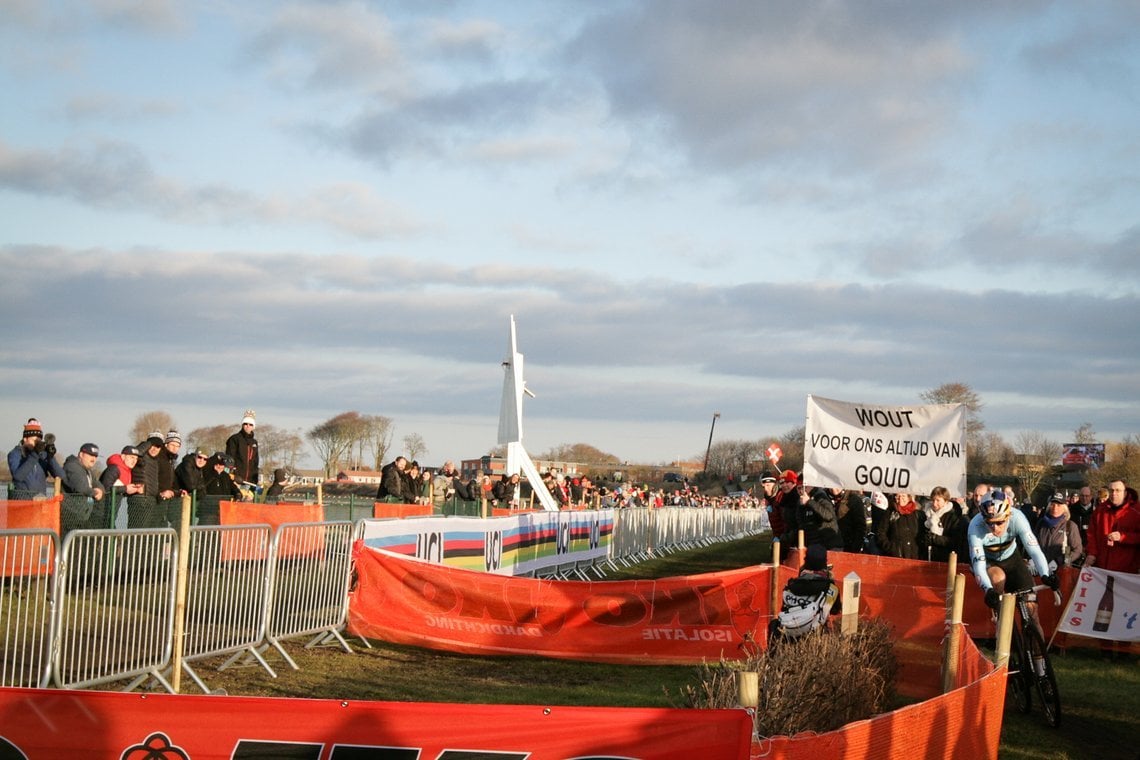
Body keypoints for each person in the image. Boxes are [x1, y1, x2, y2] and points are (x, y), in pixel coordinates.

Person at [967, 489, 1056, 624]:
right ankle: (1001, 620)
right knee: (998, 577)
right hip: (990, 562)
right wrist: (988, 590)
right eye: (989, 523)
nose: (995, 528)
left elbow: (1035, 551)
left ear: (1008, 515)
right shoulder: (975, 526)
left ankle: (1036, 641)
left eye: (999, 522)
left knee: (1031, 609)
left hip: (1012, 559)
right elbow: (979, 565)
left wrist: (1045, 574)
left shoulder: (1018, 518)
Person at [768, 543, 840, 645]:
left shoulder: (791, 585)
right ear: (824, 563)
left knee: (774, 624)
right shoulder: (830, 588)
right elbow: (835, 610)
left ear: (806, 562)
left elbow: (784, 609)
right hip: (815, 635)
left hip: (788, 632)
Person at [1084, 480, 1140, 573]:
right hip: (1102, 567)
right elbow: (1091, 534)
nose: (1114, 493)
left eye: (1118, 490)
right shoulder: (1100, 510)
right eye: (1111, 490)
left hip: (1126, 569)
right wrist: (1092, 553)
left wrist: (1122, 537)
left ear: (1125, 493)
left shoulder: (1136, 511)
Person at [7, 418, 64, 499]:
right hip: (21, 503)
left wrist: (50, 457)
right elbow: (18, 477)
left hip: (40, 502)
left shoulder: (42, 454)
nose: (36, 444)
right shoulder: (15, 454)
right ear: (25, 439)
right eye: (34, 441)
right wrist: (35, 454)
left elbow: (60, 475)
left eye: (39, 441)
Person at [61, 442, 106, 532]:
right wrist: (95, 492)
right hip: (70, 515)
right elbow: (80, 487)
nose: (94, 459)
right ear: (81, 455)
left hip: (81, 516)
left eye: (95, 456)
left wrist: (101, 491)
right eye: (90, 455)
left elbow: (98, 484)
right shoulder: (72, 466)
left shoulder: (88, 470)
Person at [1036, 493, 1083, 570]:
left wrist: (1060, 561)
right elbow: (1033, 544)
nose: (1055, 508)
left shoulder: (1070, 526)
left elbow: (1077, 550)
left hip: (1061, 572)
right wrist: (1031, 558)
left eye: (1059, 505)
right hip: (1040, 570)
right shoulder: (1041, 524)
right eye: (1052, 504)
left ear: (1064, 508)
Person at [128, 435, 166, 528]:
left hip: (150, 500)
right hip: (140, 499)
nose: (154, 449)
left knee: (145, 533)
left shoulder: (155, 462)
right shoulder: (140, 458)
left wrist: (157, 495)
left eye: (158, 447)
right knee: (136, 530)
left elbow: (154, 481)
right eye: (152, 445)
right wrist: (148, 443)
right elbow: (136, 452)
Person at [921, 486, 965, 563]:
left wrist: (936, 538)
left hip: (946, 558)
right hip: (927, 556)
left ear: (945, 501)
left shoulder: (953, 517)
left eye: (938, 500)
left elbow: (955, 541)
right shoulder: (927, 514)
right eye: (933, 500)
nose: (934, 504)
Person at [794, 483, 844, 550]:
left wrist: (809, 502)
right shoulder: (800, 502)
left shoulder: (820, 496)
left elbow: (828, 515)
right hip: (814, 545)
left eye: (804, 487)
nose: (801, 491)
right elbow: (801, 524)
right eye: (799, 488)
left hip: (829, 545)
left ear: (810, 486)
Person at [201, 453, 244, 524]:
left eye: (221, 464)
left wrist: (238, 494)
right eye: (217, 464)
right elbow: (205, 484)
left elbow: (233, 487)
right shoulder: (207, 473)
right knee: (207, 530)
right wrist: (216, 459)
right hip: (209, 509)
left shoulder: (226, 476)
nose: (219, 466)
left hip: (223, 509)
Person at [876, 492, 921, 559]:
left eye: (903, 496)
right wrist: (890, 548)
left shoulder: (918, 515)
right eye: (898, 496)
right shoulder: (889, 513)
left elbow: (922, 536)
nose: (900, 499)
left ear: (909, 498)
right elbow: (880, 533)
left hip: (914, 557)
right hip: (894, 557)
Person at [225, 410, 260, 488]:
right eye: (245, 424)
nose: (247, 426)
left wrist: (255, 479)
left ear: (253, 426)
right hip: (237, 480)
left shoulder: (254, 442)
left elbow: (255, 462)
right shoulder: (234, 439)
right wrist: (234, 474)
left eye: (250, 424)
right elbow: (230, 458)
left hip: (249, 481)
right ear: (242, 425)